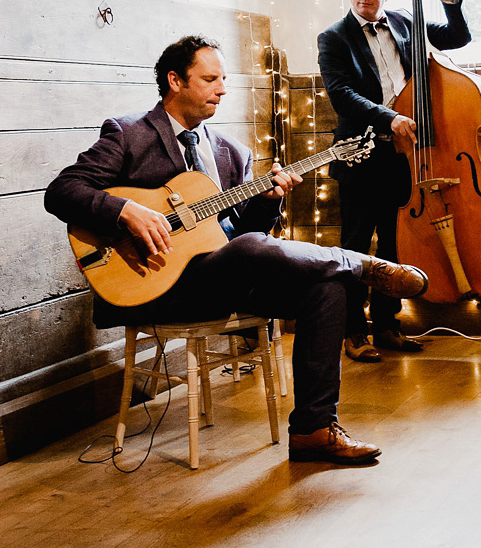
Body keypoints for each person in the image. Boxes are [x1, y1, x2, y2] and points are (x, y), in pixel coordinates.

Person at [45, 35, 430, 466]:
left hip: (225, 276)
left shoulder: (232, 151)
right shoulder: (129, 134)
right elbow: (62, 191)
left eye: (224, 79)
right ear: (175, 80)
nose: (222, 89)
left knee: (326, 286)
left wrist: (269, 201)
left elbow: (241, 235)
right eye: (210, 79)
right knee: (264, 252)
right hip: (155, 283)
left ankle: (313, 431)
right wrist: (127, 210)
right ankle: (359, 263)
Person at [318, 0, 472, 361]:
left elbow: (459, 37)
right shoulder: (333, 38)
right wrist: (391, 116)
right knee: (354, 248)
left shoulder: (405, 22)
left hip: (404, 156)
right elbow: (341, 95)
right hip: (359, 154)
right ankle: (354, 332)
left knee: (393, 244)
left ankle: (387, 325)